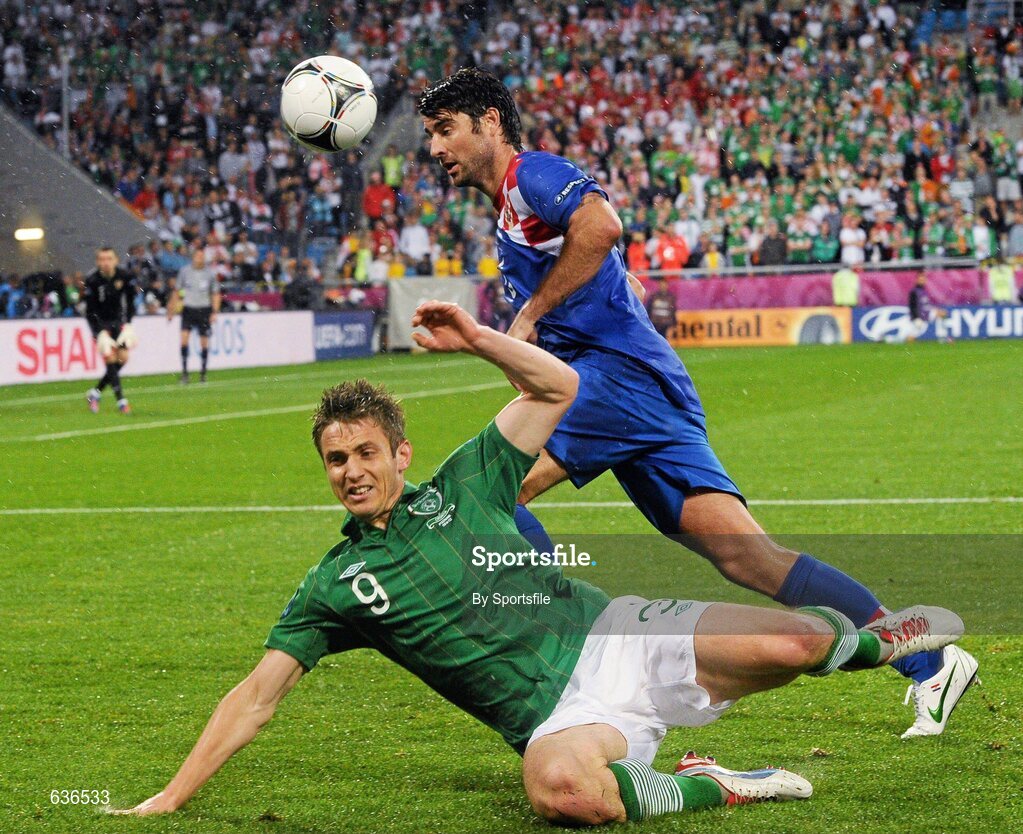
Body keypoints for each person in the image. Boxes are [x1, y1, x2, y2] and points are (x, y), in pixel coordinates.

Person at [111, 300, 964, 823]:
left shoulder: (468, 483)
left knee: (796, 647)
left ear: (400, 454)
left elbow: (556, 387)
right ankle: (724, 786)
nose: (353, 473)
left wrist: (480, 337)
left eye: (366, 453)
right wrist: (169, 798)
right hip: (565, 721)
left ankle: (889, 641)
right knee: (563, 792)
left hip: (619, 637)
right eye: (336, 461)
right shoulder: (333, 589)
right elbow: (254, 698)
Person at [417, 68, 977, 738]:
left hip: (617, 378)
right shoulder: (510, 210)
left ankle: (562, 658)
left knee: (491, 495)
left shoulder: (531, 175)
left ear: (488, 121)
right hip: (641, 385)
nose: (434, 148)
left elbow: (601, 226)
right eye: (428, 133)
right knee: (750, 559)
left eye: (444, 129)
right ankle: (931, 666)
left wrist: (531, 314)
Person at [84, 247, 138, 414]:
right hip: (101, 324)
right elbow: (90, 311)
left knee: (123, 358)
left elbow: (130, 304)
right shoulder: (92, 280)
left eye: (109, 258)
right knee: (110, 358)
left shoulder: (125, 277)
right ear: (97, 262)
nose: (105, 262)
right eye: (102, 259)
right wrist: (99, 332)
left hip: (118, 322)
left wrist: (128, 324)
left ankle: (95, 392)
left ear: (116, 260)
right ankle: (121, 401)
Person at [169, 248, 220, 384]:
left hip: (204, 310)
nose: (200, 258)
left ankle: (203, 373)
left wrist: (214, 312)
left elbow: (215, 293)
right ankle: (185, 373)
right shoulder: (185, 272)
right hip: (188, 309)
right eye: (198, 255)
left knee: (204, 342)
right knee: (184, 340)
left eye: (202, 256)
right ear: (193, 257)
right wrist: (172, 309)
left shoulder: (210, 274)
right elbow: (177, 290)